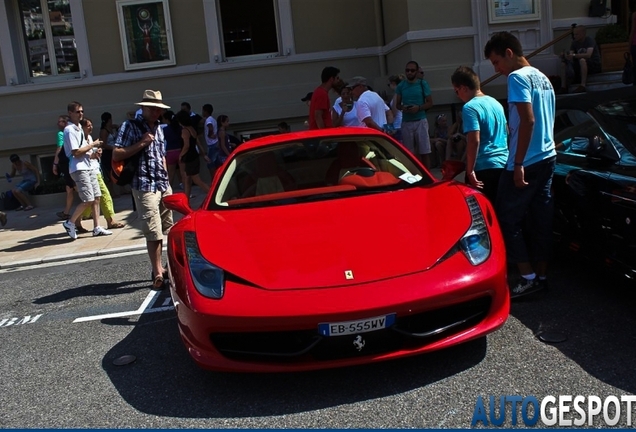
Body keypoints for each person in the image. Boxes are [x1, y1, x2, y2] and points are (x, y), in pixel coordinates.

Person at [485, 31, 556, 299]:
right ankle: (542, 275)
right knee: (541, 219)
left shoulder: (517, 77)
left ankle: (526, 278)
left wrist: (517, 164)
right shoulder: (543, 77)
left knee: (506, 218)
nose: (497, 68)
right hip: (548, 157)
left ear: (509, 53)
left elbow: (528, 121)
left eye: (496, 62)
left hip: (525, 160)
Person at [113, 89, 173, 290]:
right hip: (144, 185)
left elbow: (161, 155)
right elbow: (117, 154)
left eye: (159, 109)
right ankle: (157, 273)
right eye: (153, 108)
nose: (156, 112)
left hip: (162, 184)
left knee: (169, 228)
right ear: (144, 108)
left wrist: (166, 177)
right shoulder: (130, 126)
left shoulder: (160, 128)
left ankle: (166, 268)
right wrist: (142, 143)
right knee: (153, 231)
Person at [451, 65, 509, 204]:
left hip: (484, 168)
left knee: (482, 214)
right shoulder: (496, 103)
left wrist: (470, 171)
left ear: (464, 88)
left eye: (457, 91)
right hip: (504, 165)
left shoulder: (470, 107)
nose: (457, 95)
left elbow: (473, 141)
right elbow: (507, 132)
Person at [61, 101, 112, 239]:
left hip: (88, 166)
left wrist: (95, 153)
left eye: (82, 111)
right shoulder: (70, 130)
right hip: (79, 169)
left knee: (96, 197)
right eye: (78, 112)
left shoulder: (79, 129)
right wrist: (93, 144)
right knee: (88, 199)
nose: (81, 114)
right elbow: (76, 152)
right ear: (70, 113)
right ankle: (70, 222)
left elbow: (85, 152)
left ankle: (97, 227)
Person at [80, 118, 125, 230]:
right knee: (93, 199)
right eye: (88, 125)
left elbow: (90, 154)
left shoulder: (89, 138)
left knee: (98, 198)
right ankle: (75, 220)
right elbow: (78, 154)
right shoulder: (79, 139)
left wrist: (97, 151)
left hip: (95, 170)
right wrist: (94, 146)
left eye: (91, 125)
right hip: (85, 172)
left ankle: (78, 220)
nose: (91, 127)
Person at [396, 60, 434, 168]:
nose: (409, 73)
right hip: (407, 121)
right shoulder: (401, 86)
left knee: (424, 151)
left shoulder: (423, 84)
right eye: (407, 70)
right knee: (409, 153)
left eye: (412, 70)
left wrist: (419, 108)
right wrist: (404, 108)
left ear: (417, 72)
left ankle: (428, 175)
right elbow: (397, 105)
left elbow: (430, 102)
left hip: (420, 120)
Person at [175, 110, 210, 201]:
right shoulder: (192, 128)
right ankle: (186, 200)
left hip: (189, 157)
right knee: (187, 180)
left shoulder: (185, 130)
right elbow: (196, 142)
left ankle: (212, 194)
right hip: (194, 155)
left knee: (196, 180)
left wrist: (180, 155)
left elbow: (186, 145)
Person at [558, 25, 601, 94]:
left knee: (582, 60)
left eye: (577, 34)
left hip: (593, 64)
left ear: (583, 34)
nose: (575, 36)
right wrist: (566, 55)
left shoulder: (589, 40)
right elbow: (571, 54)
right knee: (563, 63)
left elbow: (588, 55)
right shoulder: (574, 43)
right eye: (574, 34)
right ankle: (563, 87)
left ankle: (583, 85)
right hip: (580, 65)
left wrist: (574, 55)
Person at [53, 114, 75, 219]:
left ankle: (83, 211)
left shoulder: (61, 134)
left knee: (74, 186)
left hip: (66, 164)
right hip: (72, 162)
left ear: (65, 123)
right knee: (69, 188)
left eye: (60, 121)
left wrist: (55, 164)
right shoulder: (72, 131)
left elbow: (59, 148)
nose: (58, 123)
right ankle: (66, 212)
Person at [161, 110, 185, 190]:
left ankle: (168, 192)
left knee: (171, 174)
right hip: (180, 151)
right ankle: (186, 192)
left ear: (167, 119)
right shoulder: (180, 128)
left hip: (170, 152)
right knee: (183, 173)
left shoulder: (165, 130)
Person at [202, 103, 219, 180]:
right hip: (215, 143)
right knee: (216, 162)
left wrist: (210, 134)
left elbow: (210, 127)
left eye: (203, 111)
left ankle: (214, 179)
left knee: (210, 163)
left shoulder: (208, 120)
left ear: (206, 111)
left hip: (211, 144)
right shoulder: (213, 119)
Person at [387, 75, 404, 143]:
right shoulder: (403, 93)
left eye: (389, 84)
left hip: (397, 124)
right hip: (402, 122)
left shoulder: (397, 94)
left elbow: (394, 112)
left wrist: (390, 127)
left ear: (393, 83)